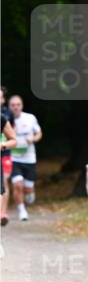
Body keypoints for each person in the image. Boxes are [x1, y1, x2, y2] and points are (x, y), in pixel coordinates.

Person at [8, 94, 42, 222]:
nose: (15, 107)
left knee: (28, 189)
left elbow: (39, 133)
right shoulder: (5, 120)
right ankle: (21, 210)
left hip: (29, 157)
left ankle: (30, 192)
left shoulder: (30, 118)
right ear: (9, 106)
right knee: (17, 184)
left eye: (18, 105)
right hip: (14, 158)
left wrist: (32, 138)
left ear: (22, 106)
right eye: (13, 105)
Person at [0, 87, 15, 226]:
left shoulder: (5, 116)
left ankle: (3, 212)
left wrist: (2, 145)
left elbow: (13, 138)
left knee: (4, 181)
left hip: (4, 155)